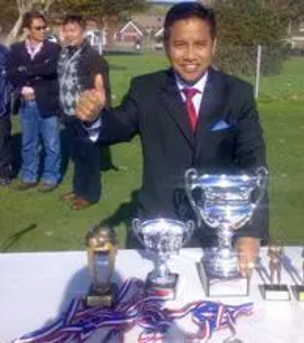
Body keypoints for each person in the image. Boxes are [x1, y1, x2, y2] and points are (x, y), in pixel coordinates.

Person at [76, 2, 268, 272]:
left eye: (200, 44)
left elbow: (254, 161)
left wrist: (251, 230)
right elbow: (117, 126)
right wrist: (95, 117)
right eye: (180, 45)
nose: (190, 55)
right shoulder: (145, 89)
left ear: (214, 44)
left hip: (221, 232)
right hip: (159, 229)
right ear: (166, 45)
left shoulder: (238, 94)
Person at [58, 15, 111, 210]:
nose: (69, 34)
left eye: (73, 30)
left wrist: (98, 115)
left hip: (87, 115)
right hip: (68, 113)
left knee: (90, 155)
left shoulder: (91, 56)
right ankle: (78, 189)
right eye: (66, 30)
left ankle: (91, 195)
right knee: (77, 155)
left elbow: (100, 88)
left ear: (83, 32)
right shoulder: (64, 52)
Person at [7, 11, 61, 192]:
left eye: (45, 27)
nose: (43, 31)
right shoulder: (15, 49)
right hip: (26, 103)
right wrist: (23, 88)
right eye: (38, 28)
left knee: (51, 144)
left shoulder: (54, 48)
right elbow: (12, 74)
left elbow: (50, 69)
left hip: (47, 102)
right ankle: (29, 176)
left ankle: (50, 178)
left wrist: (25, 69)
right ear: (27, 30)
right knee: (29, 143)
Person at [0, 43, 14, 186]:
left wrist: (7, 95)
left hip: (1, 107)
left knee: (3, 140)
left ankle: (4, 172)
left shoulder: (5, 52)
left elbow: (12, 77)